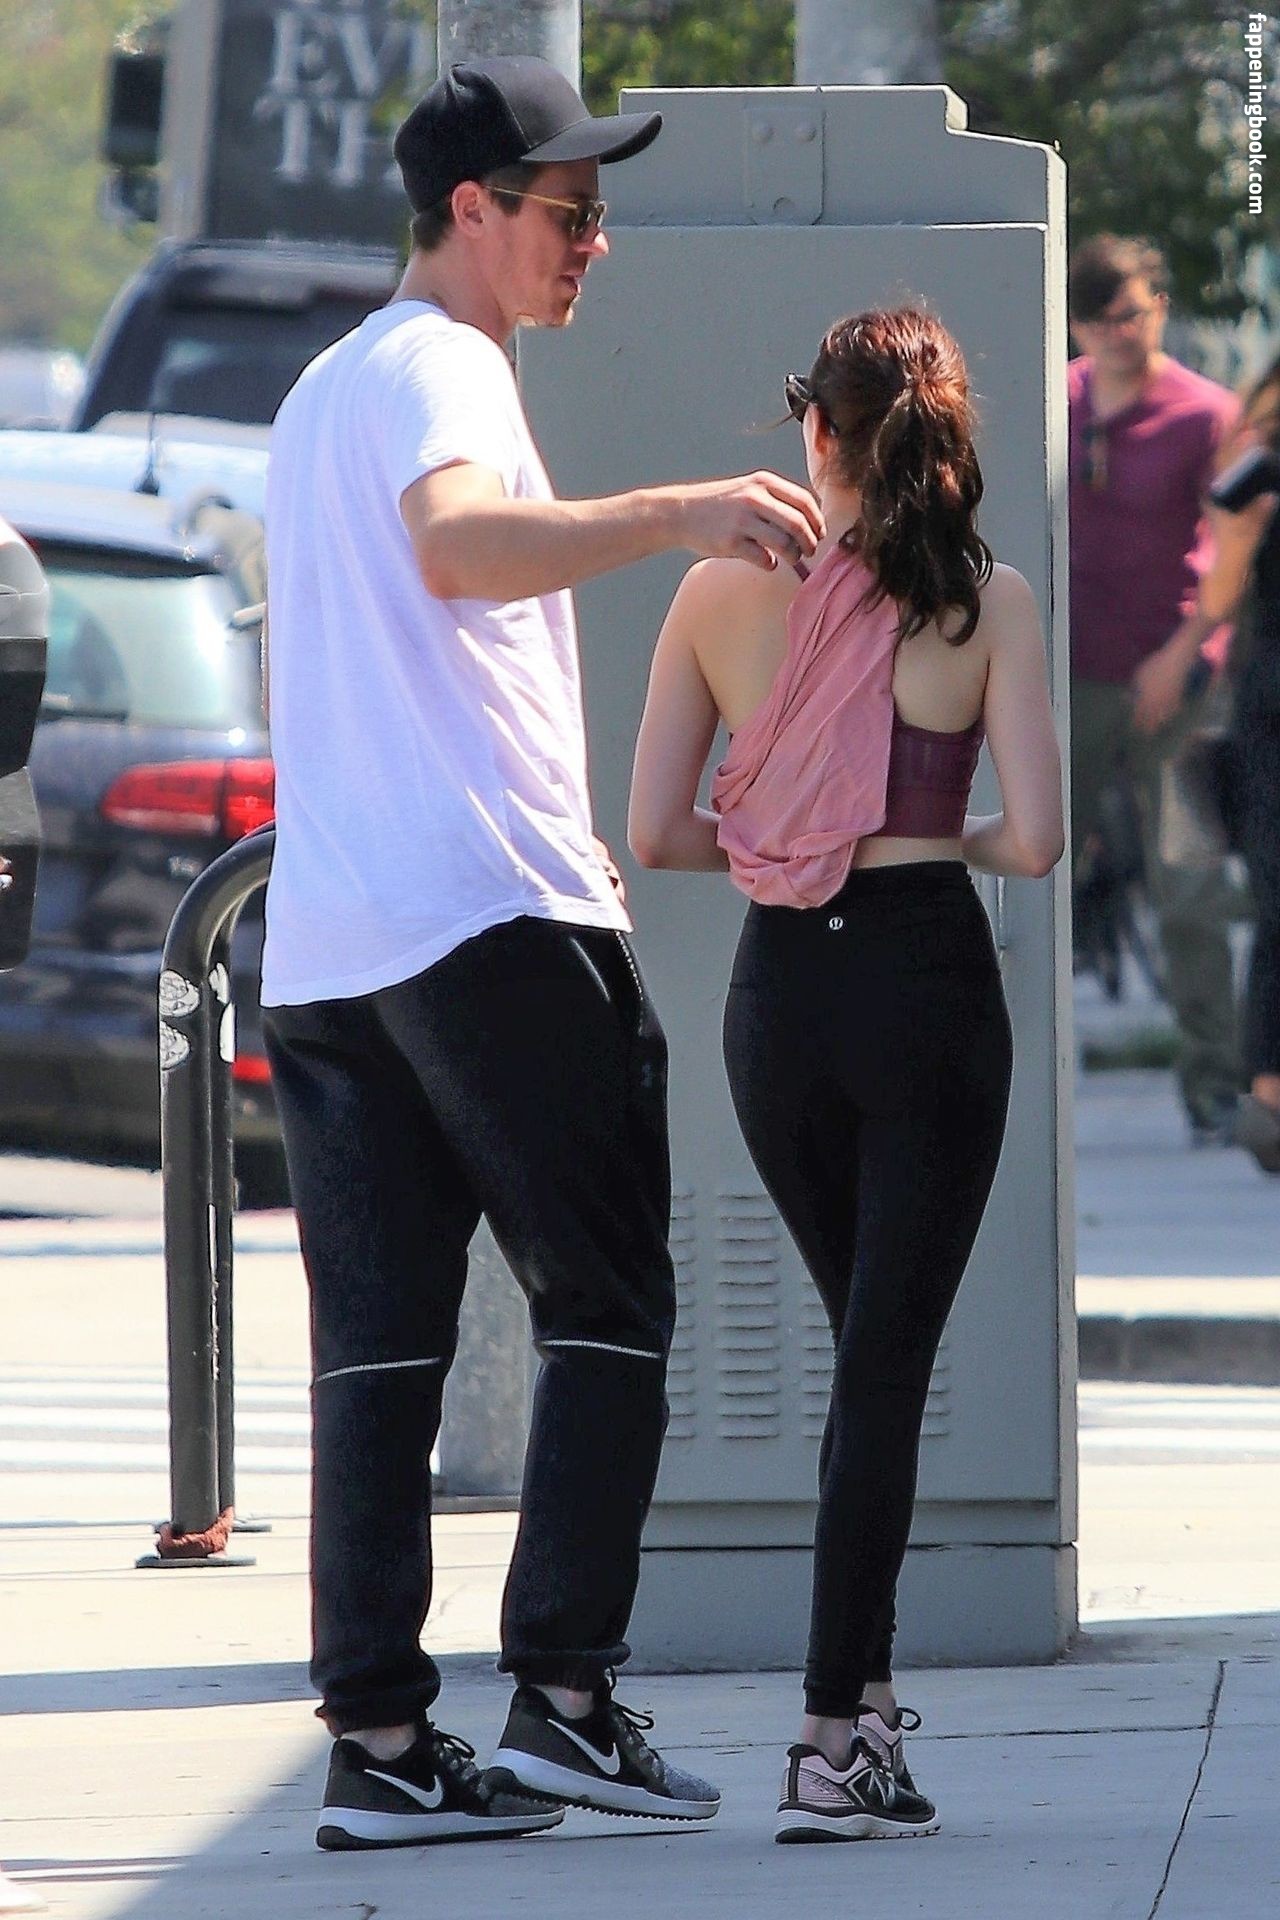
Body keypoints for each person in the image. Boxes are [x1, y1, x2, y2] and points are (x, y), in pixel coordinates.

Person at [260, 54, 823, 1853]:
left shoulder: (323, 388)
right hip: (490, 908)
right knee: (610, 1303)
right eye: (569, 212)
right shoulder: (442, 366)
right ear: (472, 210)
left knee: (380, 1355)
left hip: (337, 944)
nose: (594, 242)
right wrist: (678, 510)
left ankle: (379, 1738)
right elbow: (454, 549)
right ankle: (566, 1699)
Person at [628, 307, 1063, 1843]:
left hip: (782, 1007)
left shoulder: (715, 593)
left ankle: (865, 1714)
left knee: (864, 1355)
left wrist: (790, 836)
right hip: (927, 987)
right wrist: (920, 831)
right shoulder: (988, 600)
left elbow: (658, 833)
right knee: (882, 1367)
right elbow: (1038, 839)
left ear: (816, 429)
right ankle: (828, 1736)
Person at [1067, 235, 1241, 1143]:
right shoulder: (1057, 402)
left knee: (1190, 889)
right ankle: (1011, 1086)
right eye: (1101, 320)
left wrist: (1182, 655)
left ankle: (1215, 1084)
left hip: (1176, 685)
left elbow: (1233, 547)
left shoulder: (1207, 414)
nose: (1120, 333)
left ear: (1160, 309)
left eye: (1133, 313)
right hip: (1069, 683)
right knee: (1027, 876)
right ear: (1076, 326)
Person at [1199, 354, 1280, 1173]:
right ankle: (1269, 1099)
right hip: (1273, 717)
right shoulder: (1256, 471)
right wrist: (1244, 535)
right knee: (1276, 904)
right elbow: (1220, 599)